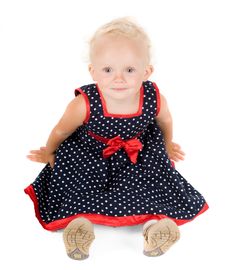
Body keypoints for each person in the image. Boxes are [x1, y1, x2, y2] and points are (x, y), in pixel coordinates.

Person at [25, 17, 209, 260]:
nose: (119, 78)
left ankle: (156, 226)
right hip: (89, 152)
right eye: (108, 70)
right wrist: (49, 151)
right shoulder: (85, 103)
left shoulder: (154, 98)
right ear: (93, 71)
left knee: (150, 182)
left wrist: (166, 144)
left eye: (130, 70)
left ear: (147, 71)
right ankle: (79, 225)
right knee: (77, 182)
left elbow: (165, 121)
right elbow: (61, 131)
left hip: (138, 151)